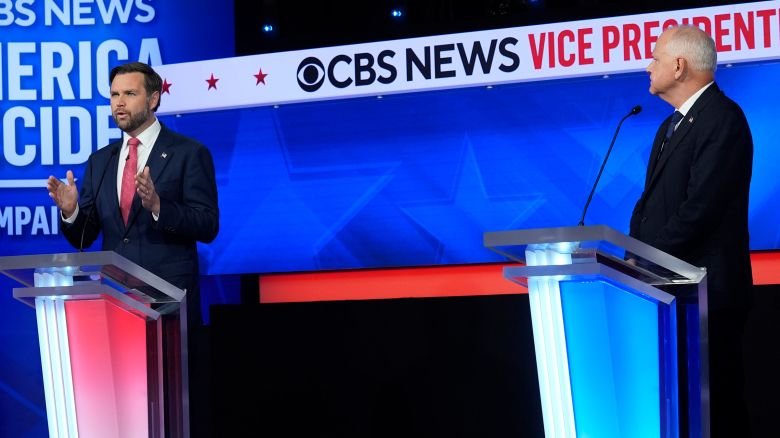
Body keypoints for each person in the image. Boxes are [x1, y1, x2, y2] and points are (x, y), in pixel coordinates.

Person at [47, 61, 219, 437]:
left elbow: (208, 225)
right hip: (116, 310)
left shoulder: (189, 153)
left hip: (169, 312)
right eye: (113, 95)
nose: (118, 103)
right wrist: (72, 210)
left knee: (172, 419)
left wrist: (159, 206)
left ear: (154, 98)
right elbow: (84, 239)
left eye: (129, 93)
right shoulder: (102, 161)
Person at [629, 25, 753, 436]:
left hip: (708, 297)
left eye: (656, 58)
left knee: (717, 412)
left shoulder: (723, 119)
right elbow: (652, 205)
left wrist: (646, 256)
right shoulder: (669, 127)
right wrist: (630, 251)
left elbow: (701, 209)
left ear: (679, 66)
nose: (648, 67)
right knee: (678, 413)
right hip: (669, 293)